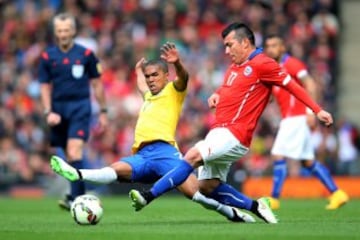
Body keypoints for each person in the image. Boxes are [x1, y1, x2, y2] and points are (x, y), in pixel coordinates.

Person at [129, 22, 334, 224]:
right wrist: (216, 95)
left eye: (229, 45)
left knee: (192, 155)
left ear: (245, 42)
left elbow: (293, 86)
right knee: (207, 187)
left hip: (235, 133)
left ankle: (148, 196)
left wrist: (317, 110)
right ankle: (257, 207)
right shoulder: (235, 67)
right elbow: (227, 88)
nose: (226, 51)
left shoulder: (264, 63)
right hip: (219, 131)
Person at [50, 42, 256, 223]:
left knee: (196, 194)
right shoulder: (148, 96)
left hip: (166, 152)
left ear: (166, 76)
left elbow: (184, 78)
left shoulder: (173, 91)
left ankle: (233, 214)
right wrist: (139, 71)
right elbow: (141, 85)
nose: (150, 80)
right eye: (148, 77)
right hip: (143, 155)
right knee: (115, 169)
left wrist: (177, 63)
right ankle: (77, 174)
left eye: (155, 75)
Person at [264, 35, 349, 210]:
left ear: (282, 48)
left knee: (278, 153)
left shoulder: (293, 64)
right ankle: (337, 193)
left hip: (296, 117)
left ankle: (274, 199)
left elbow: (311, 84)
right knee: (307, 161)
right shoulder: (274, 68)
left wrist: (311, 111)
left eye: (274, 45)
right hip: (292, 118)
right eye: (267, 46)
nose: (270, 49)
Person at [38, 13, 108, 210]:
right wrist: (47, 111)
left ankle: (76, 198)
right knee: (68, 156)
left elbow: (97, 84)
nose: (63, 34)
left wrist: (103, 111)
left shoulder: (86, 55)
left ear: (74, 31)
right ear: (55, 32)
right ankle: (76, 194)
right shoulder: (47, 56)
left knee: (74, 150)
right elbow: (44, 86)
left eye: (66, 30)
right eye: (60, 30)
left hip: (80, 107)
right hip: (58, 110)